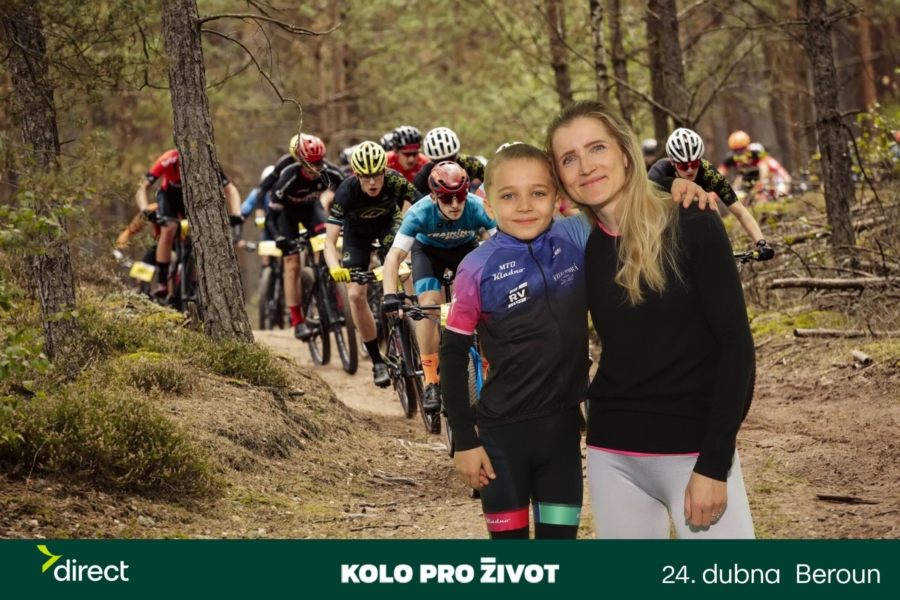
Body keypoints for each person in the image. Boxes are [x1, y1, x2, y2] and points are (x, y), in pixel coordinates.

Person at [547, 100, 756, 539]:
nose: (585, 166)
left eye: (597, 148)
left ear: (625, 153)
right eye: (569, 158)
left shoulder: (692, 220)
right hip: (612, 456)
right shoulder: (580, 244)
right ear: (561, 177)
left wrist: (715, 462)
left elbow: (736, 346)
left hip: (694, 453)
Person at [441, 144, 592, 539]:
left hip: (563, 435)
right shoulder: (476, 267)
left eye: (538, 193)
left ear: (557, 199)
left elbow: (629, 206)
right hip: (501, 441)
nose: (525, 206)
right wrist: (464, 441)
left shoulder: (575, 236)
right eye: (509, 196)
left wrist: (682, 185)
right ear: (488, 206)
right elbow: (452, 356)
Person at [381, 162, 497, 414]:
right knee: (429, 306)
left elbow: (504, 245)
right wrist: (389, 294)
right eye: (446, 198)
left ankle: (490, 373)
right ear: (434, 197)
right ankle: (431, 381)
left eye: (460, 196)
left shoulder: (479, 207)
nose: (455, 204)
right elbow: (393, 257)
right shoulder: (419, 213)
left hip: (465, 250)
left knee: (483, 303)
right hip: (428, 253)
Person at [325, 142, 417, 388]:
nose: (373, 182)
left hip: (389, 225)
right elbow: (329, 242)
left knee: (406, 271)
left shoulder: (396, 180)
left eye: (377, 175)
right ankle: (377, 361)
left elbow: (424, 205)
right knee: (355, 295)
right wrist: (335, 268)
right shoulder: (346, 191)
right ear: (356, 175)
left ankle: (418, 329)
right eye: (366, 177)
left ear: (385, 171)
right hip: (357, 235)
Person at [265, 135, 345, 341]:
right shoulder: (288, 176)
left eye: (318, 163)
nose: (314, 169)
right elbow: (270, 217)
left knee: (329, 246)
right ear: (300, 161)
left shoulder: (330, 171)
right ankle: (298, 321)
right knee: (292, 265)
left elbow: (349, 193)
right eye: (309, 164)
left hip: (313, 212)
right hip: (287, 218)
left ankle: (337, 301)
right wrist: (278, 237)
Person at [649, 129, 774, 259]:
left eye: (694, 163)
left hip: (699, 227)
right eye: (683, 166)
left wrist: (761, 243)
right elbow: (644, 211)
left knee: (708, 204)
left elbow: (740, 211)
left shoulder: (709, 173)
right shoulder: (658, 172)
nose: (690, 169)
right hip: (666, 223)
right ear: (672, 162)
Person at [134, 149, 242, 298]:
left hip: (194, 200)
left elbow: (230, 189)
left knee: (202, 234)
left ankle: (197, 283)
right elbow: (142, 187)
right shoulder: (169, 159)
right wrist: (144, 210)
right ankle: (162, 282)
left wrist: (236, 213)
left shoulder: (207, 160)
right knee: (169, 228)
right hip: (169, 198)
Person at [413, 127, 485, 195]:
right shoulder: (422, 177)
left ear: (456, 154)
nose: (446, 166)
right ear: (431, 160)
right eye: (440, 162)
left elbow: (490, 181)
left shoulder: (471, 163)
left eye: (450, 159)